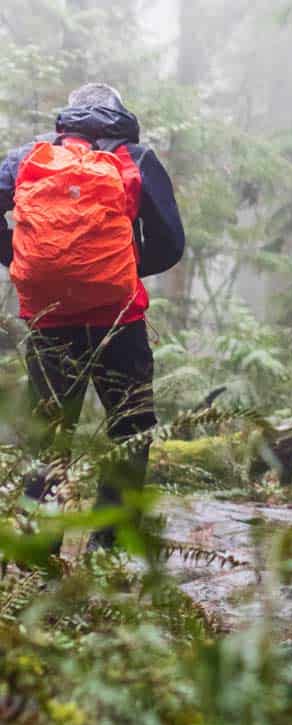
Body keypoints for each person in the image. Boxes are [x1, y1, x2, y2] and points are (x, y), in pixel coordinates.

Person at [0, 83, 186, 552]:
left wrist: (18, 258)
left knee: (49, 435)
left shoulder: (27, 158)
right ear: (120, 114)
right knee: (130, 428)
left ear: (68, 117)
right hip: (120, 320)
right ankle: (110, 548)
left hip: (48, 320)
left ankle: (36, 559)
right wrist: (118, 266)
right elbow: (171, 243)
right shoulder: (136, 159)